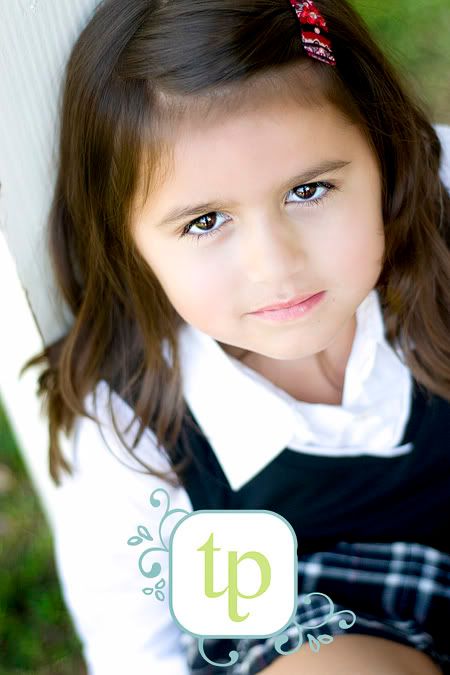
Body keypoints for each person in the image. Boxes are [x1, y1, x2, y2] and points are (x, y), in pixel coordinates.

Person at [21, 0, 450, 673]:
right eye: (205, 222)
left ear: (385, 156)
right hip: (300, 621)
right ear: (128, 243)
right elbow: (136, 649)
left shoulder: (437, 240)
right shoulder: (132, 422)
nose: (275, 266)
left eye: (308, 190)